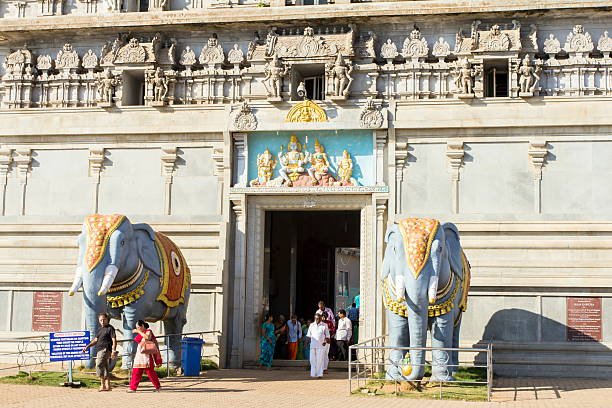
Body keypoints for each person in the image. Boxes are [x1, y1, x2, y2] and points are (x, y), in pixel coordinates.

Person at [82, 312, 117, 392]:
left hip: (105, 349)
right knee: (105, 367)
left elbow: (114, 340)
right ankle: (107, 385)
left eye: (104, 320)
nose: (102, 321)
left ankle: (102, 384)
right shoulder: (100, 329)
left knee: (98, 364)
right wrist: (87, 347)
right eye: (100, 320)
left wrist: (113, 350)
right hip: (99, 350)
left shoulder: (110, 328)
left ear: (107, 319)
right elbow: (95, 340)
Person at [128, 320, 162, 392]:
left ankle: (158, 387)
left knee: (150, 372)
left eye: (138, 327)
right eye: (137, 327)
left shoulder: (148, 331)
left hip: (147, 356)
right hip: (139, 355)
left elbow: (147, 337)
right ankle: (133, 388)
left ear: (142, 326)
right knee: (136, 372)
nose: (137, 329)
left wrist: (138, 332)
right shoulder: (141, 333)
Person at [306, 313, 329, 378]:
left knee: (319, 360)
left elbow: (327, 336)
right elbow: (308, 336)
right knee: (312, 360)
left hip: (321, 345)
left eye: (319, 318)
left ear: (321, 318)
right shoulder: (311, 325)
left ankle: (319, 374)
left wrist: (325, 341)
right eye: (316, 318)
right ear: (314, 318)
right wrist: (306, 343)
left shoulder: (324, 325)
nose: (317, 320)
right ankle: (313, 373)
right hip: (313, 345)